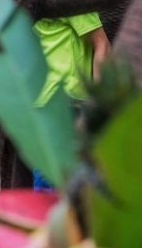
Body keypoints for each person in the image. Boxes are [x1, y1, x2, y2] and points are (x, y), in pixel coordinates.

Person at [32, 13, 111, 189]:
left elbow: (102, 45)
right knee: (47, 187)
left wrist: (96, 99)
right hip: (42, 106)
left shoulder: (73, 1)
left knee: (67, 186)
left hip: (69, 104)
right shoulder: (30, 1)